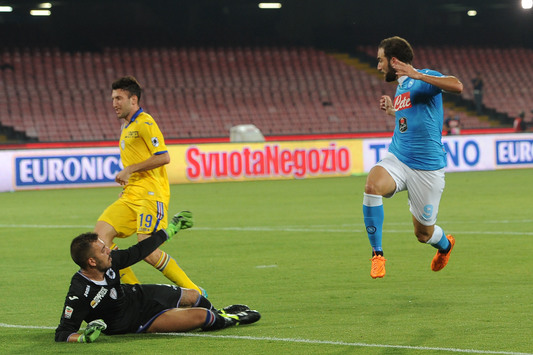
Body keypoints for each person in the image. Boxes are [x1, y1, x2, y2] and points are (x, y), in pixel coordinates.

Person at [55, 212, 261, 343]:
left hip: (139, 296)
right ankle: (230, 319)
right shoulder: (79, 293)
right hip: (138, 321)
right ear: (91, 262)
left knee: (193, 296)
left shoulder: (110, 261)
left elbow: (139, 250)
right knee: (202, 317)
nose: (109, 250)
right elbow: (63, 333)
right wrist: (84, 338)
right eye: (103, 250)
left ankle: (218, 311)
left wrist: (169, 231)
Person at [363, 36, 463, 278]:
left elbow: (457, 85)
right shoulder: (401, 87)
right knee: (372, 185)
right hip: (398, 158)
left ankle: (446, 246)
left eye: (381, 60)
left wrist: (419, 75)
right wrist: (393, 112)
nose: (379, 66)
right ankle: (377, 255)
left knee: (423, 235)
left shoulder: (423, 78)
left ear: (394, 60)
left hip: (427, 169)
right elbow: (412, 119)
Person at [94, 76, 205, 295]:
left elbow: (163, 157)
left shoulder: (145, 123)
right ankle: (134, 293)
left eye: (119, 98)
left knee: (147, 251)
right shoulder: (126, 126)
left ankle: (195, 292)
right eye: (112, 98)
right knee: (99, 240)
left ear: (133, 99)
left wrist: (130, 170)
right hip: (131, 195)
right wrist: (128, 184)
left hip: (151, 195)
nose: (114, 103)